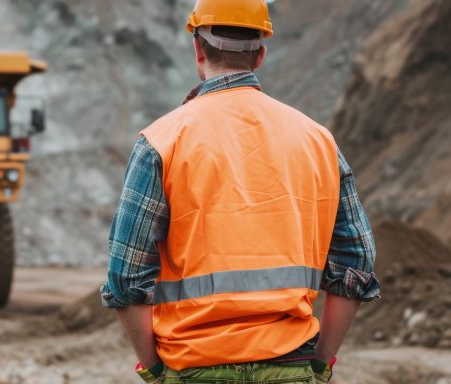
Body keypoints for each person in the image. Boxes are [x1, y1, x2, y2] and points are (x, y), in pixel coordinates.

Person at [99, 1, 380, 383]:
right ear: (260, 54)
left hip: (193, 367)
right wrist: (320, 362)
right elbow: (356, 262)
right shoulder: (318, 141)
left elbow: (126, 276)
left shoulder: (160, 142)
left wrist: (154, 369)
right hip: (290, 367)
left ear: (197, 49)